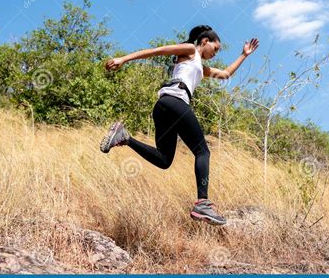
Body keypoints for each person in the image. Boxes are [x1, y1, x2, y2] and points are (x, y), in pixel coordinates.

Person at [100, 25, 259, 225]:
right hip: (175, 101)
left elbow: (226, 74)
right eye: (215, 48)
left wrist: (244, 55)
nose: (215, 53)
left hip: (163, 107)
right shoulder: (190, 50)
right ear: (204, 42)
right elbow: (156, 51)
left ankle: (124, 138)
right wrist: (123, 59)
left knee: (164, 160)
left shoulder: (201, 67)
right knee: (203, 152)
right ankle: (203, 203)